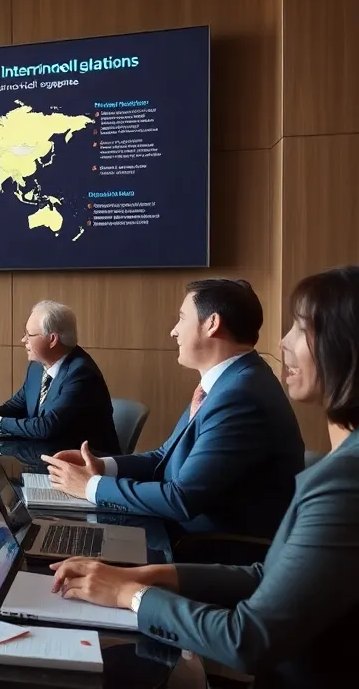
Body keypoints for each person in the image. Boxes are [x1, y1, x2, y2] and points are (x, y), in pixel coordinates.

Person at [50, 266, 359, 686]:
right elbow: (265, 574)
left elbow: (246, 639)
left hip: (217, 557)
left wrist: (130, 594)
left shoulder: (337, 475)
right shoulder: (227, 385)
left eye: (301, 328)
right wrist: (147, 576)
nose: (283, 341)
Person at [42, 280, 303, 538]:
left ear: (212, 323)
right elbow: (165, 456)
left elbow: (181, 499)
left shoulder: (240, 395)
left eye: (181, 318)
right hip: (182, 534)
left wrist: (91, 487)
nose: (174, 331)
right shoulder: (232, 381)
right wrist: (102, 466)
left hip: (209, 551)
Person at [0, 301, 119, 454]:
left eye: (29, 335)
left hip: (87, 467)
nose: (23, 340)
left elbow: (47, 426)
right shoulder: (37, 365)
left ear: (52, 339)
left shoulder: (81, 374)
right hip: (46, 457)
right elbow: (18, 403)